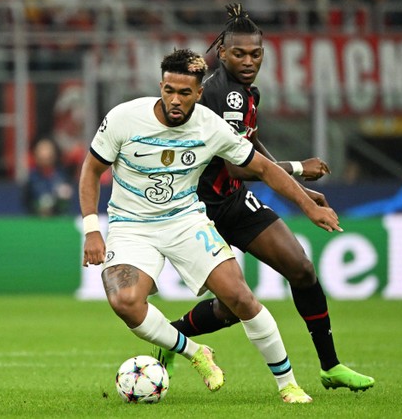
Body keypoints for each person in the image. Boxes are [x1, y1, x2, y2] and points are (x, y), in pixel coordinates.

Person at [80, 48, 344, 403]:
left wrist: (307, 206)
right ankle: (195, 353)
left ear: (199, 93)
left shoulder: (210, 127)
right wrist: (92, 228)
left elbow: (263, 168)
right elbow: (91, 171)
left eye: (184, 93)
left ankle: (289, 385)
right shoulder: (124, 118)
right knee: (125, 301)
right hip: (132, 225)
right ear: (161, 85)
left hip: (186, 221)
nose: (175, 100)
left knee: (239, 298)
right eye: (169, 90)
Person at [153, 3, 375, 393]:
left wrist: (300, 189)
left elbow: (249, 145)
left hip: (233, 201)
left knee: (302, 270)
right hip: (198, 210)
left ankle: (331, 367)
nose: (249, 60)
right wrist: (298, 168)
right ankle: (173, 338)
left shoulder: (245, 91)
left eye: (256, 53)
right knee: (234, 305)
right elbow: (239, 165)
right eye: (239, 53)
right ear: (221, 53)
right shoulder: (223, 94)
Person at [24, 138, 73, 217]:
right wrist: (38, 208)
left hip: (58, 220)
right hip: (37, 220)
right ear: (36, 156)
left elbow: (66, 204)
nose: (45, 155)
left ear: (54, 155)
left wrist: (60, 202)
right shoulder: (31, 179)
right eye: (41, 152)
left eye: (48, 152)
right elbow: (26, 203)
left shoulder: (62, 177)